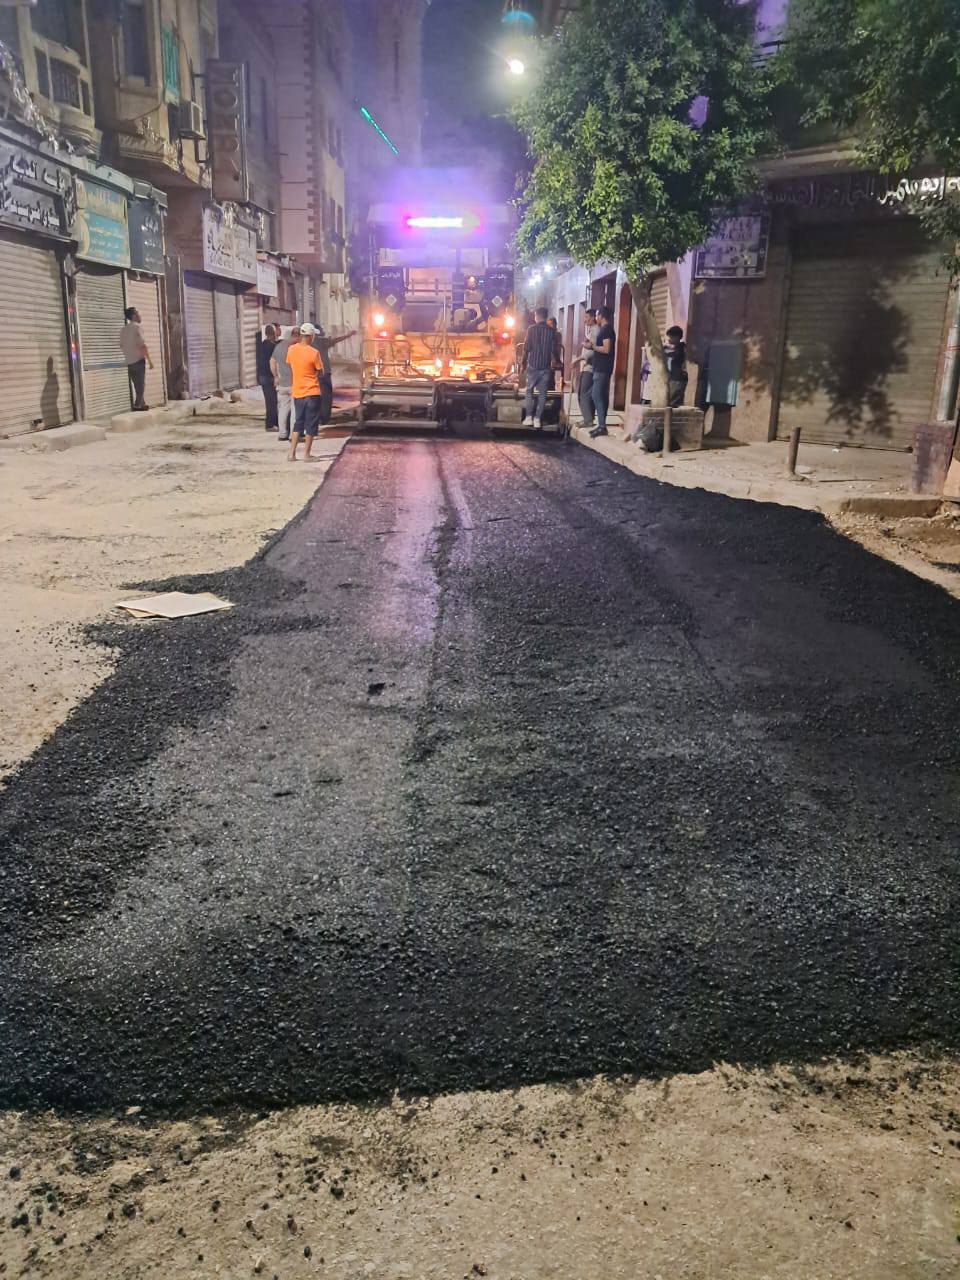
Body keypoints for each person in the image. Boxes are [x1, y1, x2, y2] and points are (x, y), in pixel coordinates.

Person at [285, 322, 324, 461]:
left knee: (298, 423)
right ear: (310, 336)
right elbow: (320, 371)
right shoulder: (314, 353)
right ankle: (307, 455)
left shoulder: (291, 350)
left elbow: (290, 365)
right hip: (312, 393)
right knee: (311, 425)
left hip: (298, 393)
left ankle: (291, 454)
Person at [521, 306, 560, 429]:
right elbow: (554, 349)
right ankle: (537, 419)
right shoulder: (551, 331)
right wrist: (558, 361)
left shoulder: (531, 329)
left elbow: (526, 348)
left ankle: (528, 417)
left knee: (529, 391)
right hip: (545, 367)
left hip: (533, 365)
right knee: (543, 393)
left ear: (537, 316)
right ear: (546, 316)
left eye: (535, 315)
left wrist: (523, 363)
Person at [312, 324, 357, 424]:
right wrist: (348, 335)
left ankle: (316, 417)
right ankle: (324, 418)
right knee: (326, 397)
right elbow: (336, 340)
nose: (323, 331)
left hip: (312, 374)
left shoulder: (307, 342)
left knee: (314, 397)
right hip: (323, 374)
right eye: (321, 329)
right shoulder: (321, 341)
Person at [587, 305, 616, 437]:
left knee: (596, 395)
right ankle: (601, 425)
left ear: (601, 316)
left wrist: (593, 347)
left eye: (597, 315)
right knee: (600, 396)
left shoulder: (606, 329)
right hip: (601, 368)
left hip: (603, 368)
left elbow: (606, 349)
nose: (596, 318)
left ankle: (602, 426)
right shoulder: (605, 329)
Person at [119, 306, 153, 412]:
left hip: (129, 361)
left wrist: (129, 355)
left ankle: (142, 404)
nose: (139, 315)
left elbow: (121, 345)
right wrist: (150, 361)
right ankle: (137, 405)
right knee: (141, 385)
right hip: (138, 360)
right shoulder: (137, 327)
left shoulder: (123, 330)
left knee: (137, 385)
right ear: (134, 316)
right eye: (138, 313)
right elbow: (142, 346)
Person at [271, 324, 299, 441]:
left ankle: (282, 434)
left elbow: (272, 361)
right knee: (295, 410)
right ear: (297, 336)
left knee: (283, 409)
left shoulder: (279, 346)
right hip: (294, 383)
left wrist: (275, 377)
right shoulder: (296, 348)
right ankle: (293, 435)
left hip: (282, 384)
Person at [574, 306, 598, 427]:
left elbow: (592, 351)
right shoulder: (590, 331)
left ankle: (588, 420)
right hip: (587, 367)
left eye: (587, 317)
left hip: (590, 368)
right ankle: (589, 418)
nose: (585, 320)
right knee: (586, 394)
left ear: (593, 318)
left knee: (583, 394)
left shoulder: (595, 331)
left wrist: (577, 360)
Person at [257, 324, 279, 431]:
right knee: (272, 401)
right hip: (269, 376)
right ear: (273, 334)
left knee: (270, 401)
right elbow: (273, 363)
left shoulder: (261, 345)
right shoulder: (272, 347)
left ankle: (274, 423)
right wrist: (275, 376)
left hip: (262, 376)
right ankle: (270, 424)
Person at [664, 325, 688, 407]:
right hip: (675, 378)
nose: (669, 339)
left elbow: (671, 353)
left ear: (677, 337)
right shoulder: (677, 347)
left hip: (678, 379)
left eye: (671, 337)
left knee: (672, 402)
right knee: (674, 402)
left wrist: (662, 350)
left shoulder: (681, 347)